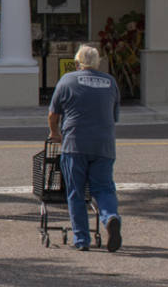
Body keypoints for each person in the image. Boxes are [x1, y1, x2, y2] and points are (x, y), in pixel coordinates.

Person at [47, 43, 122, 252]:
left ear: (77, 62)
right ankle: (111, 218)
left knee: (75, 193)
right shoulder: (110, 82)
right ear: (97, 62)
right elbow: (114, 116)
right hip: (104, 144)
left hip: (75, 144)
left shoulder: (67, 80)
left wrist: (55, 133)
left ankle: (81, 240)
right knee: (104, 188)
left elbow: (53, 114)